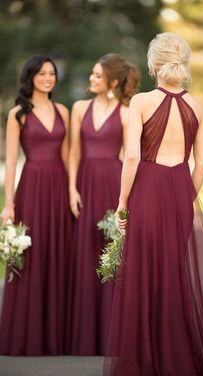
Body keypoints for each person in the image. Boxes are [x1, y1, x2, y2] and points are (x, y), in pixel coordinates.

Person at [104, 33, 203, 376]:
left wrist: (122, 201)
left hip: (147, 187)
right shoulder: (197, 106)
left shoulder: (141, 102)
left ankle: (142, 359)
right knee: (173, 273)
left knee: (143, 273)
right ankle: (174, 355)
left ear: (153, 64)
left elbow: (132, 155)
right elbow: (202, 164)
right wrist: (184, 198)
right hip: (179, 187)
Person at [66, 53, 140, 355]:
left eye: (97, 75)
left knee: (111, 257)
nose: (91, 79)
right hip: (84, 183)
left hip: (112, 185)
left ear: (111, 80)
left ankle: (112, 335)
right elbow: (73, 152)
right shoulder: (79, 108)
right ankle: (84, 338)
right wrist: (71, 188)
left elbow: (128, 155)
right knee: (84, 254)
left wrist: (125, 198)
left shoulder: (125, 112)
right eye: (92, 74)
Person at [0, 55, 72, 355]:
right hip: (32, 187)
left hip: (58, 186)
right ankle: (25, 336)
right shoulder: (18, 114)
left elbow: (68, 156)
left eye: (52, 73)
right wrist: (8, 205)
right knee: (31, 256)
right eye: (42, 73)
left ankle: (57, 337)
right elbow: (13, 161)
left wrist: (72, 191)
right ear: (30, 77)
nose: (48, 78)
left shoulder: (63, 111)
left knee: (58, 253)